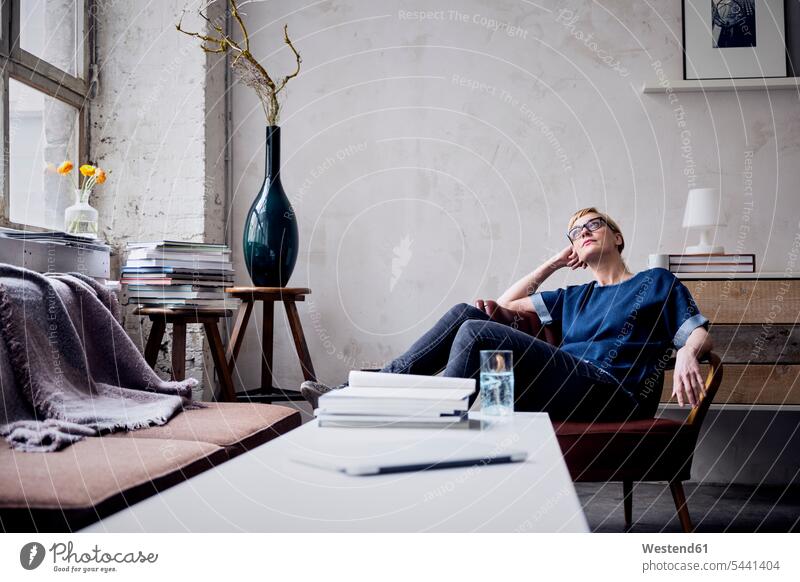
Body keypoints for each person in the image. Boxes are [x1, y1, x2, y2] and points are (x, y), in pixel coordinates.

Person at [301, 207, 713, 422]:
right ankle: (376, 392)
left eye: (594, 225)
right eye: (575, 232)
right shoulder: (573, 296)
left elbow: (698, 333)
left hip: (613, 394)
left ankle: (404, 406)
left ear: (617, 237)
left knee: (477, 334)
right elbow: (496, 307)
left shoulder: (656, 281)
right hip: (564, 388)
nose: (584, 232)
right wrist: (552, 264)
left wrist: (686, 353)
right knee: (468, 315)